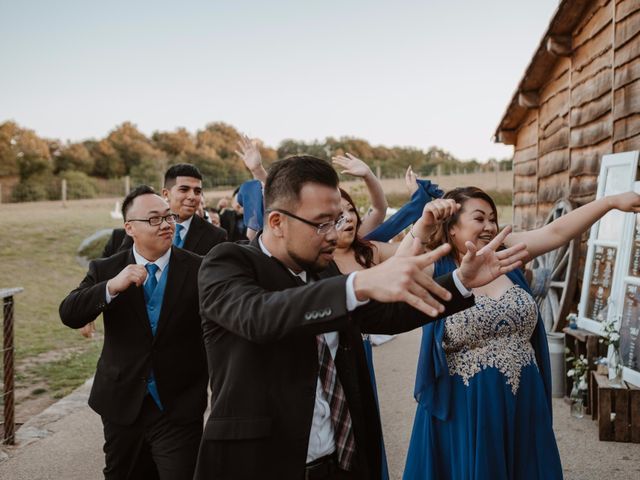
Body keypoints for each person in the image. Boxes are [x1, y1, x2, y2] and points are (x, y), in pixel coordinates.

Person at [193, 156, 528, 480]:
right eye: (322, 223)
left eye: (338, 220)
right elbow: (260, 316)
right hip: (262, 465)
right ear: (277, 222)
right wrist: (360, 282)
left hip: (342, 460)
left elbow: (389, 315)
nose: (335, 234)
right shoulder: (228, 262)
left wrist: (461, 281)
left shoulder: (322, 274)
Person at [403, 186, 640, 480]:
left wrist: (610, 201)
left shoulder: (506, 252)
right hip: (469, 405)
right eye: (479, 219)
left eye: (493, 218)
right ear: (452, 228)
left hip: (523, 397)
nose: (490, 226)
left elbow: (557, 233)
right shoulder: (435, 267)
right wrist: (423, 225)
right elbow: (397, 268)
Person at [59, 186, 208, 479]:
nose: (165, 225)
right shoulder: (106, 269)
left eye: (169, 217)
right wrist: (111, 287)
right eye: (154, 219)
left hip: (178, 407)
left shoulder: (199, 268)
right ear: (130, 228)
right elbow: (69, 313)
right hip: (121, 403)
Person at [101, 163, 227, 257]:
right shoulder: (121, 236)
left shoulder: (216, 237)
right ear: (166, 194)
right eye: (184, 189)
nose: (192, 196)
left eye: (197, 191)